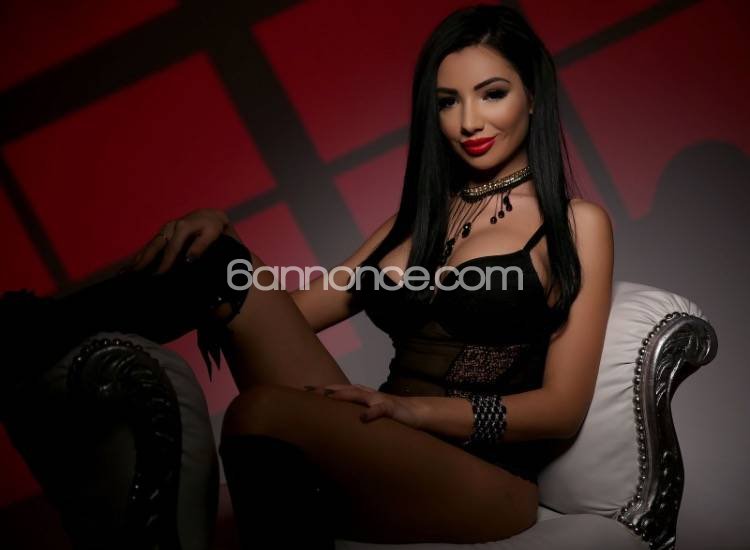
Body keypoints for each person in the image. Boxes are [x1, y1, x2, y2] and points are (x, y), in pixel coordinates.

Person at [1, 4, 613, 548]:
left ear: (533, 95)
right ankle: (27, 333)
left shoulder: (576, 225)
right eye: (447, 102)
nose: (469, 121)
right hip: (379, 436)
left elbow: (560, 409)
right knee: (215, 262)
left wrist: (414, 413)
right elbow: (283, 315)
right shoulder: (417, 218)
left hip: (483, 477)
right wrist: (229, 247)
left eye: (492, 93)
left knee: (260, 413)